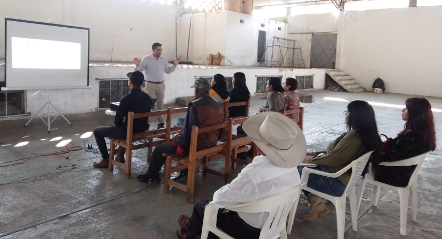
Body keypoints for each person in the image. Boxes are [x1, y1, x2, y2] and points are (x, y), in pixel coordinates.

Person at [176, 112, 306, 239]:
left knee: (201, 206)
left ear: (259, 143)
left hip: (247, 230)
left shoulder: (255, 174)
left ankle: (191, 232)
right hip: (274, 224)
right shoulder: (293, 169)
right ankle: (193, 225)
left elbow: (220, 198)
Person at [298, 100, 381, 221]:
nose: (345, 114)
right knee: (305, 167)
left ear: (355, 115)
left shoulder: (354, 137)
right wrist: (315, 154)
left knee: (295, 170)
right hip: (343, 179)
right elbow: (338, 153)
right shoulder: (366, 135)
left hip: (334, 183)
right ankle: (317, 206)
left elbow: (333, 159)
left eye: (347, 112)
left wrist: (309, 159)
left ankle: (287, 207)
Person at [137, 78, 224, 184]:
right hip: (211, 142)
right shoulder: (218, 104)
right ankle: (184, 170)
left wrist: (181, 148)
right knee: (180, 140)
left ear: (196, 91)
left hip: (196, 145)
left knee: (159, 149)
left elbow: (188, 132)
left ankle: (152, 176)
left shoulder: (195, 106)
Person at [93, 71, 152, 168]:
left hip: (127, 133)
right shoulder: (147, 98)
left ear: (130, 82)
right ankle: (120, 155)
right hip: (142, 130)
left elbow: (118, 121)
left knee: (98, 131)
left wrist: (118, 125)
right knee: (126, 128)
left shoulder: (126, 98)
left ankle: (106, 159)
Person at [375, 97, 436, 187]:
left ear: (415, 113)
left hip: (397, 175)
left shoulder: (412, 135)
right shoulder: (424, 131)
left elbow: (389, 156)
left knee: (358, 164)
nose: (402, 110)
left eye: (406, 108)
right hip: (406, 171)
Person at [133, 42, 180, 129]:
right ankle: (144, 124)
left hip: (161, 85)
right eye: (158, 50)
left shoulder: (163, 60)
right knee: (147, 104)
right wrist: (137, 65)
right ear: (153, 50)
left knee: (160, 105)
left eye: (161, 50)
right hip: (150, 85)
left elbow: (168, 71)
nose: (160, 51)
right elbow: (139, 70)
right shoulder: (146, 59)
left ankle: (160, 123)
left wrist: (174, 65)